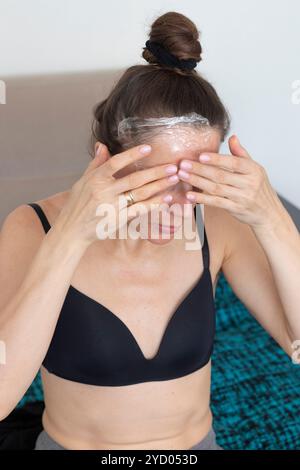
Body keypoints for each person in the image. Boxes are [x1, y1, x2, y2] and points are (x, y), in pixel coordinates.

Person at [0, 11, 299, 451]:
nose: (180, 206)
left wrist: (271, 217)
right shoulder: (32, 226)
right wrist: (70, 236)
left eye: (197, 180)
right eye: (156, 181)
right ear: (105, 160)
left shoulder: (218, 221)